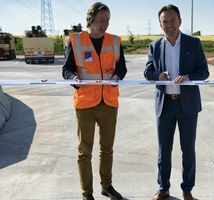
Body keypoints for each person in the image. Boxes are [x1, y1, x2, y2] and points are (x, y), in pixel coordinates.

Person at [144, 4, 209, 200]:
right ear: (160, 24)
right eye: (165, 21)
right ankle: (163, 188)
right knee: (164, 150)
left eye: (172, 20)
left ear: (179, 21)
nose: (169, 25)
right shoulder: (155, 46)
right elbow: (147, 73)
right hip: (165, 105)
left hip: (187, 105)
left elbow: (204, 72)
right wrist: (158, 75)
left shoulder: (193, 43)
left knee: (188, 150)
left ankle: (187, 189)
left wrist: (189, 77)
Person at [62, 2, 127, 200]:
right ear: (90, 20)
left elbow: (121, 67)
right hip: (85, 104)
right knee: (85, 151)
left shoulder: (115, 41)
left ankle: (106, 186)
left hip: (109, 102)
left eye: (107, 20)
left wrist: (117, 76)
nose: (105, 24)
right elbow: (66, 69)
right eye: (101, 21)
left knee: (107, 149)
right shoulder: (76, 40)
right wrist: (74, 79)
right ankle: (86, 193)